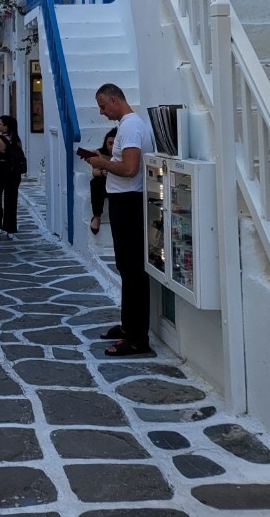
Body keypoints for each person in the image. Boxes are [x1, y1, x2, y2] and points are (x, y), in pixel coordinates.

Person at [88, 83, 156, 358]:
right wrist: (104, 159)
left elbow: (129, 168)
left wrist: (102, 163)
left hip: (129, 202)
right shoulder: (129, 126)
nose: (102, 112)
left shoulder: (130, 127)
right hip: (124, 201)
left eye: (103, 106)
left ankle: (138, 339)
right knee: (126, 267)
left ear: (115, 101)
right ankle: (129, 326)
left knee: (133, 269)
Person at [0, 114, 23, 240]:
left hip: (0, 172)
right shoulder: (17, 140)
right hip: (14, 173)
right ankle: (10, 228)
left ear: (6, 126)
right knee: (11, 200)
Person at [88, 128, 117, 236]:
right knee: (95, 183)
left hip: (118, 184)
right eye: (110, 143)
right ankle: (96, 217)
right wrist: (102, 172)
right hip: (105, 183)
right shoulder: (100, 153)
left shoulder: (122, 155)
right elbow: (94, 172)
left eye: (114, 143)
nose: (112, 146)